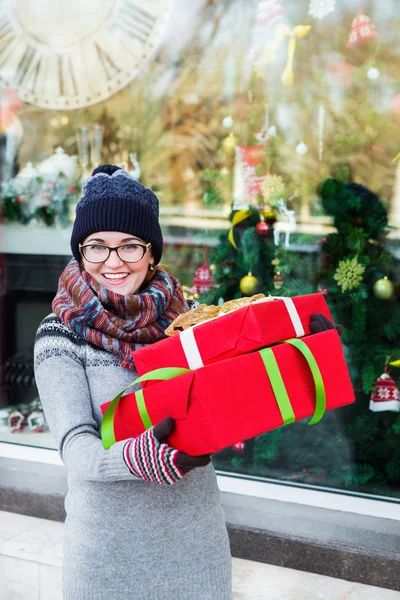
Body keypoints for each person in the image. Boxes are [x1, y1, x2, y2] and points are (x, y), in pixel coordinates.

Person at [34, 164, 232, 600]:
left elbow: (235, 393)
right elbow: (77, 450)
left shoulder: (189, 321)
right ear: (80, 251)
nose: (113, 262)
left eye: (129, 246)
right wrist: (142, 457)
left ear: (151, 252)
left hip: (197, 548)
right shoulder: (60, 334)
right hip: (107, 558)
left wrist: (292, 346)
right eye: (97, 247)